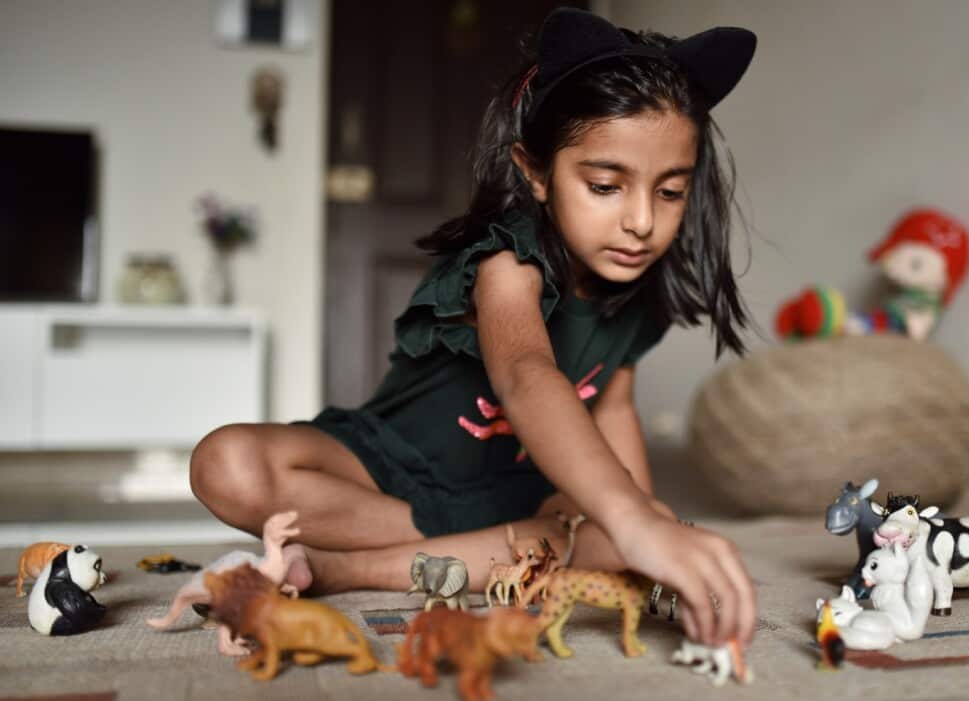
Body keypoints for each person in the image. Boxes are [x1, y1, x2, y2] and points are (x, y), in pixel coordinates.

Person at [190, 8, 758, 648]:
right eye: (605, 186)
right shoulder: (506, 259)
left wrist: (645, 529)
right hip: (385, 471)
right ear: (536, 172)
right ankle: (456, 549)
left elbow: (613, 409)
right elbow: (525, 374)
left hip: (515, 497)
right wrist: (629, 521)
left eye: (670, 192)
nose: (642, 222)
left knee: (623, 529)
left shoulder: (636, 293)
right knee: (225, 464)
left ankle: (337, 567)